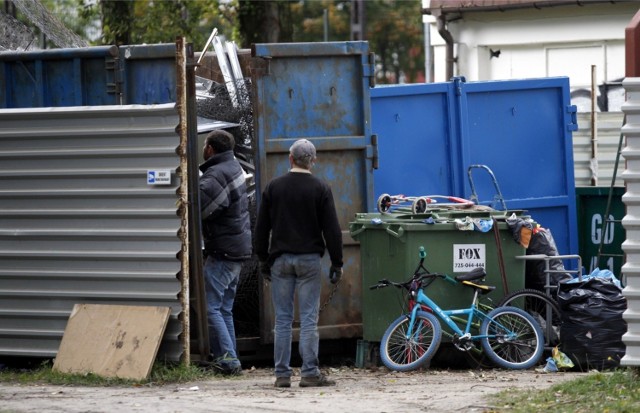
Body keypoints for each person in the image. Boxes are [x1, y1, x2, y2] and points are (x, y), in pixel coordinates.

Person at [254, 138, 344, 388]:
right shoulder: (320, 188)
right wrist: (337, 263)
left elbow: (261, 228)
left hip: (280, 261)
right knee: (308, 319)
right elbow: (333, 230)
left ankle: (282, 375)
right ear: (312, 161)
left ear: (290, 158)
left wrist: (262, 258)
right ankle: (309, 373)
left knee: (282, 320)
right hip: (309, 261)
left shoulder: (274, 187)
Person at [199, 129, 252, 375]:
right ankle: (232, 358)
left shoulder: (215, 175)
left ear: (210, 149)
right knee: (224, 308)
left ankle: (229, 361)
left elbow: (197, 208)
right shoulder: (234, 167)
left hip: (224, 252)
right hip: (237, 250)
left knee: (210, 307)